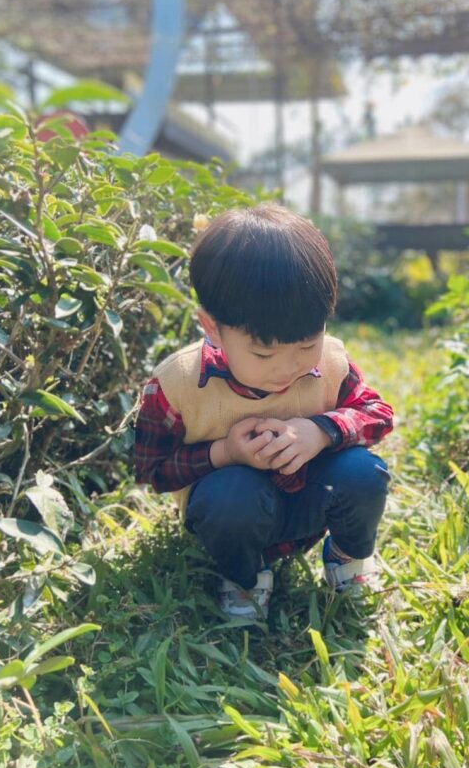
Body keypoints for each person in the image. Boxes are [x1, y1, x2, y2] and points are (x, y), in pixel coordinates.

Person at [134, 203, 393, 621]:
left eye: (306, 344)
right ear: (212, 328)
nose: (287, 367)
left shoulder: (330, 363)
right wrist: (225, 453)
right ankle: (245, 576)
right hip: (232, 513)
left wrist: (320, 431)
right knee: (230, 496)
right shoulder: (177, 385)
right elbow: (153, 470)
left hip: (311, 499)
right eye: (264, 353)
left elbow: (377, 413)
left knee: (364, 473)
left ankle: (346, 559)